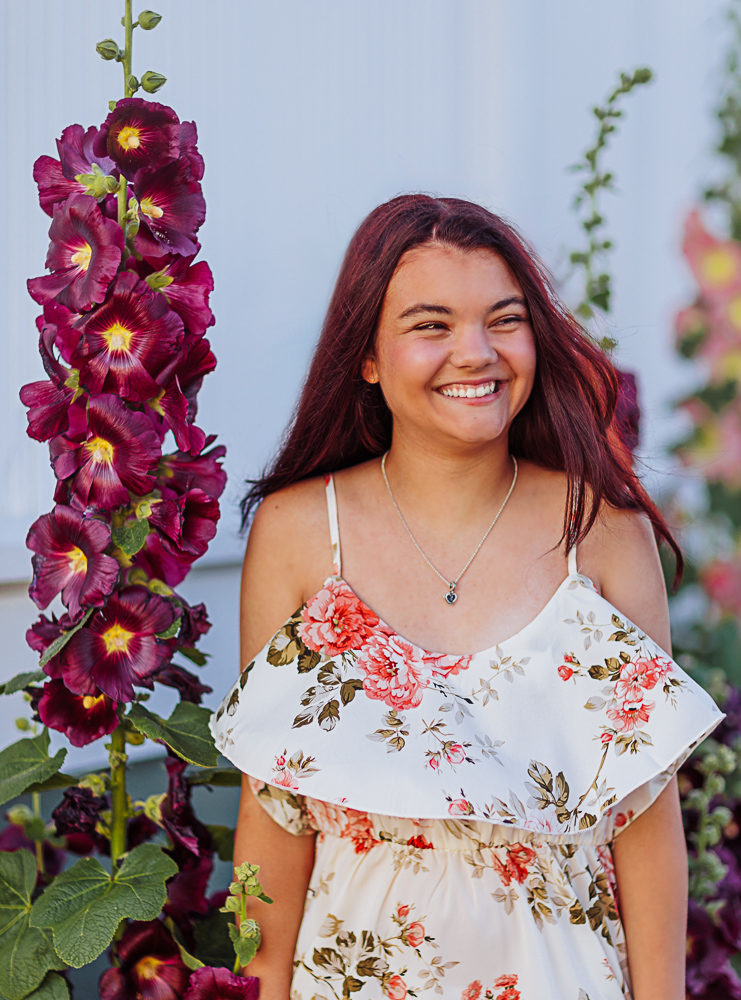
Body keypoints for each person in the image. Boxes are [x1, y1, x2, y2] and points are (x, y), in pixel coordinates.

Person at [211, 195, 722, 1000]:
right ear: (366, 355)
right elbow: (272, 814)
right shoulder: (301, 532)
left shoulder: (603, 532)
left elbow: (645, 820)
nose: (475, 353)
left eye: (503, 320)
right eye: (431, 325)